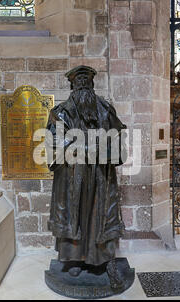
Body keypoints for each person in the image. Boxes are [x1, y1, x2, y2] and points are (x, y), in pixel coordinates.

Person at [45, 65, 127, 289]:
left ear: (91, 85)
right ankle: (74, 259)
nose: (83, 87)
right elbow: (53, 142)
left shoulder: (105, 110)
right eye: (79, 83)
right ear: (72, 86)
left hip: (99, 174)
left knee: (97, 216)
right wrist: (78, 146)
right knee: (75, 216)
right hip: (72, 176)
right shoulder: (60, 112)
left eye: (86, 83)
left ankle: (98, 259)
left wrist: (103, 148)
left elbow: (118, 140)